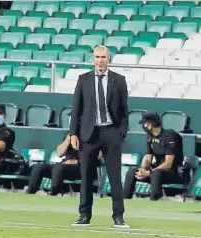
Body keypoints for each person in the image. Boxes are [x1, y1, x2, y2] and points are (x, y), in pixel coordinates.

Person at [69, 45, 129, 228]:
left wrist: (121, 132)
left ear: (108, 59)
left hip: (111, 132)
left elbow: (124, 109)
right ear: (92, 59)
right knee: (86, 176)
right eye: (97, 57)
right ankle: (84, 215)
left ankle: (118, 216)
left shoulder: (119, 80)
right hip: (89, 133)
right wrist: (73, 133)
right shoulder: (83, 79)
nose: (100, 60)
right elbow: (76, 108)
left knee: (114, 177)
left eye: (103, 57)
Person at [123, 111, 184, 201]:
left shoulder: (171, 136)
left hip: (173, 173)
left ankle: (154, 200)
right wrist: (144, 169)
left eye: (145, 124)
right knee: (132, 172)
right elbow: (148, 158)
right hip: (156, 172)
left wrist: (150, 172)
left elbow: (168, 163)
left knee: (156, 173)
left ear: (152, 123)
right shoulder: (149, 138)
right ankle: (125, 200)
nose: (144, 126)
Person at [26, 132, 102, 195]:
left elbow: (97, 156)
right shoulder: (70, 135)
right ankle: (31, 189)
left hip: (82, 168)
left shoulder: (90, 136)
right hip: (65, 167)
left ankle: (55, 190)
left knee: (59, 168)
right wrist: (68, 138)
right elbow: (59, 153)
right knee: (39, 167)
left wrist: (77, 162)